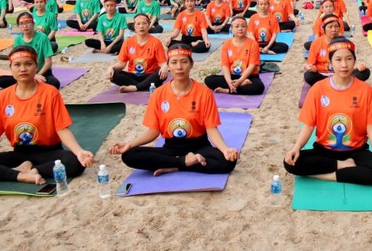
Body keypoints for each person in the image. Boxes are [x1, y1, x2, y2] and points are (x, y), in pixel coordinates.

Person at [0, 46, 94, 184]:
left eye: (28, 64)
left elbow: (62, 129)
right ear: (10, 68)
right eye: (17, 65)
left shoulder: (50, 92)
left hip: (49, 153)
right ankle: (21, 175)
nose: (23, 69)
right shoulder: (3, 97)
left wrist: (79, 151)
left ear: (36, 66)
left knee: (74, 161)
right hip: (19, 155)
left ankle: (35, 170)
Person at [109, 44, 238, 175]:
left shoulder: (204, 93)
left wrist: (225, 149)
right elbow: (154, 131)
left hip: (199, 146)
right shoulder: (158, 94)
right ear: (168, 66)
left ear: (191, 64)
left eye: (184, 62)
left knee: (227, 161)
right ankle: (183, 162)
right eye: (174, 62)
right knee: (129, 155)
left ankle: (175, 165)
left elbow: (211, 129)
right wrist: (129, 144)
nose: (179, 67)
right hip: (171, 148)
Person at [284, 38, 372, 186]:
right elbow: (308, 126)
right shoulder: (318, 89)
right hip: (325, 150)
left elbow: (371, 126)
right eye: (338, 59)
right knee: (290, 163)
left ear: (355, 61)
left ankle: (328, 175)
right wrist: (295, 148)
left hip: (357, 151)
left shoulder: (365, 90)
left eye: (348, 59)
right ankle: (343, 167)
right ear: (330, 62)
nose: (344, 65)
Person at [0, 12, 60, 89]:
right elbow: (16, 63)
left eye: (28, 22)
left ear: (33, 23)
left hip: (42, 72)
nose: (25, 26)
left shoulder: (43, 38)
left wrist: (36, 75)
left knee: (54, 83)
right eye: (22, 23)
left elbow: (48, 63)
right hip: (24, 72)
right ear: (19, 26)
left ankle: (30, 82)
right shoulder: (18, 40)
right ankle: (31, 82)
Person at [107, 13, 168, 92]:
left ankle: (135, 88)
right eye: (138, 24)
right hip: (133, 75)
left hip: (149, 75)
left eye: (144, 23)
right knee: (114, 74)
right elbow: (121, 64)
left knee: (161, 73)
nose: (141, 26)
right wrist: (111, 67)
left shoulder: (156, 42)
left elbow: (162, 63)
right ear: (134, 26)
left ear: (149, 25)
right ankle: (144, 86)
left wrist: (165, 66)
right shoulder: (128, 42)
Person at [204, 17, 265, 95]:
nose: (240, 29)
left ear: (247, 28)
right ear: (231, 29)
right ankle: (236, 86)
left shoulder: (253, 44)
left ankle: (228, 91)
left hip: (249, 77)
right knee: (209, 80)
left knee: (258, 87)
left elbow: (252, 66)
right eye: (237, 26)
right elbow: (225, 65)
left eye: (243, 26)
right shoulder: (227, 44)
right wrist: (229, 82)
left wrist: (240, 81)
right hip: (232, 76)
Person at [305, 15, 370, 85]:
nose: (333, 29)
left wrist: (358, 66)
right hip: (323, 74)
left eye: (336, 26)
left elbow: (349, 62)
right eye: (330, 27)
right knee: (309, 75)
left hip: (342, 74)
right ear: (324, 29)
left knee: (365, 72)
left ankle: (337, 83)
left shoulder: (344, 42)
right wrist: (310, 68)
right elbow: (309, 64)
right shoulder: (316, 43)